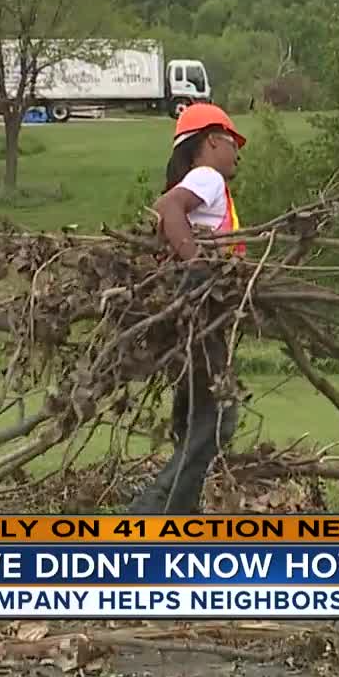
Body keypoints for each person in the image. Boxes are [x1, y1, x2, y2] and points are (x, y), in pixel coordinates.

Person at [127, 103, 247, 514]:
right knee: (217, 418)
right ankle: (155, 510)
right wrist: (196, 266)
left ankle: (182, 509)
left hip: (195, 315)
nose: (237, 154)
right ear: (212, 141)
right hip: (201, 313)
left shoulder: (204, 183)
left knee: (195, 414)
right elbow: (167, 209)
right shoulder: (207, 177)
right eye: (233, 144)